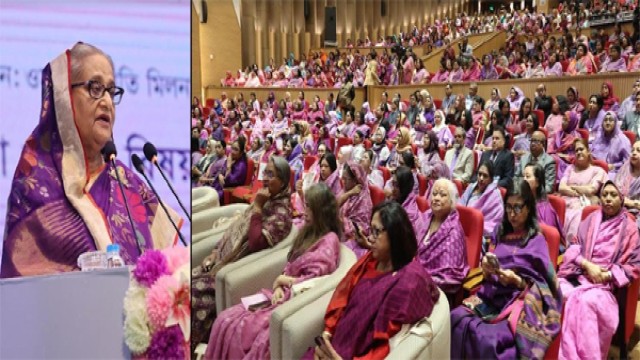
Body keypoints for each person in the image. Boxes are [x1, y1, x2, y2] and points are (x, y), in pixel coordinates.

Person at [2, 43, 181, 278]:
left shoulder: (130, 184)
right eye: (95, 88)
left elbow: (166, 274)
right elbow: (23, 291)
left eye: (111, 91)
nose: (106, 101)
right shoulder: (35, 183)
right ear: (65, 97)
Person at [205, 183, 342, 359]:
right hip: (279, 294)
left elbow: (314, 282)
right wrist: (278, 286)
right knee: (225, 319)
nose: (304, 210)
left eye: (309, 206)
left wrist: (282, 281)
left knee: (245, 334)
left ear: (321, 210)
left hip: (293, 302)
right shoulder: (308, 231)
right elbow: (290, 264)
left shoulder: (329, 241)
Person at [305, 201, 440, 360]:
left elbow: (386, 344)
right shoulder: (372, 260)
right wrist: (328, 332)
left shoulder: (408, 281)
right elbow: (344, 295)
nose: (369, 237)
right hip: (337, 344)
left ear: (395, 234)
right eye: (371, 230)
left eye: (376, 231)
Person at [451, 180, 563, 359]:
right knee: (455, 319)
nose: (512, 214)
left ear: (528, 208)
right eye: (508, 207)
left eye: (517, 208)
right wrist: (487, 268)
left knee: (489, 341)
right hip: (490, 294)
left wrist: (517, 281)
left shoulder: (537, 241)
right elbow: (490, 268)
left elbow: (545, 284)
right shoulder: (499, 231)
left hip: (516, 302)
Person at [191, 156, 293, 349]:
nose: (264, 179)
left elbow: (255, 243)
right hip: (219, 262)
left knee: (189, 297)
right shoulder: (267, 199)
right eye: (265, 172)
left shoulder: (281, 213)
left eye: (271, 175)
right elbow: (234, 230)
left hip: (231, 271)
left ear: (283, 182)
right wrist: (214, 252)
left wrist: (257, 207)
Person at [557, 181, 640, 359]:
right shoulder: (590, 220)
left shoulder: (630, 229)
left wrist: (606, 275)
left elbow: (634, 266)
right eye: (604, 195)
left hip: (607, 286)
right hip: (580, 274)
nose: (608, 199)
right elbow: (574, 247)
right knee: (554, 290)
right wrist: (588, 265)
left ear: (622, 198)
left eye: (613, 195)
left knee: (587, 302)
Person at [416, 178, 469, 296]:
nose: (436, 198)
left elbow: (450, 277)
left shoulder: (453, 231)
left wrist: (420, 280)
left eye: (442, 195)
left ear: (452, 201)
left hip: (436, 291)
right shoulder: (425, 217)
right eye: (434, 194)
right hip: (413, 276)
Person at [558, 138, 608, 242]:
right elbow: (561, 187)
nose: (579, 152)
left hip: (583, 204)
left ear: (588, 151)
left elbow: (591, 190)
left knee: (577, 216)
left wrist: (572, 187)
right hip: (565, 202)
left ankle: (572, 248)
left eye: (581, 149)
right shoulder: (570, 169)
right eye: (576, 150)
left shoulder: (597, 171)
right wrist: (580, 190)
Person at [459, 161, 505, 240]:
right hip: (461, 227)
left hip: (480, 235)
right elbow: (460, 207)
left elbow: (492, 225)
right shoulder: (471, 187)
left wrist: (472, 226)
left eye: (485, 176)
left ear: (491, 179)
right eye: (479, 174)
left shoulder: (494, 196)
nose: (481, 178)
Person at [523, 163, 565, 247]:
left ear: (537, 182)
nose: (524, 180)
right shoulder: (519, 202)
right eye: (523, 176)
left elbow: (549, 237)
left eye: (527, 176)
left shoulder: (545, 209)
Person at [340, 162, 373, 259]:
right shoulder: (346, 191)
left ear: (355, 180)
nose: (343, 181)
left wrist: (341, 221)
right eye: (343, 178)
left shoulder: (364, 200)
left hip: (355, 241)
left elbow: (362, 230)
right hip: (340, 230)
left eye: (346, 179)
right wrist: (349, 193)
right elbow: (334, 206)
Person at [590, 111, 631, 179]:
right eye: (605, 120)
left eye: (611, 120)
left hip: (613, 172)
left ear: (615, 123)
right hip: (597, 169)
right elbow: (592, 153)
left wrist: (614, 166)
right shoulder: (599, 138)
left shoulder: (622, 140)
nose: (608, 123)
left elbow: (628, 161)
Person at [514, 130, 556, 195]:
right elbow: (516, 178)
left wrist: (531, 192)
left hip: (537, 197)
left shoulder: (549, 162)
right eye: (532, 141)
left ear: (543, 144)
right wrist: (519, 191)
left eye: (536, 141)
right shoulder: (524, 158)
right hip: (521, 194)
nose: (532, 144)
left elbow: (548, 187)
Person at [548, 111, 581, 182]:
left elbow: (578, 156)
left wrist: (563, 156)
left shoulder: (576, 137)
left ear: (572, 122)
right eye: (563, 119)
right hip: (556, 158)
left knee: (554, 159)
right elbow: (551, 148)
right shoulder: (558, 133)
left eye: (566, 120)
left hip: (568, 164)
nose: (563, 122)